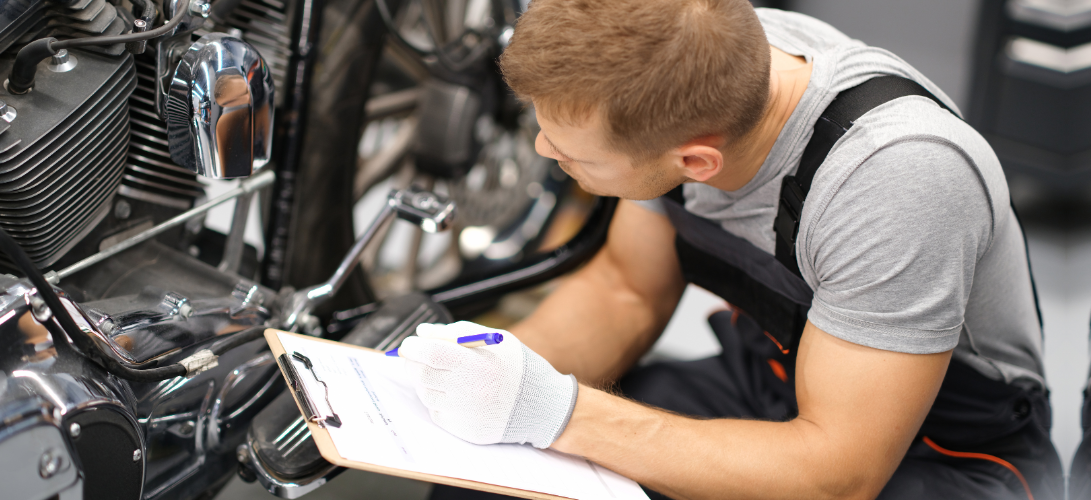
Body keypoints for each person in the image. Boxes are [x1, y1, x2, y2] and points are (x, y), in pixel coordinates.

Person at [394, 1, 1064, 498]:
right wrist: (466, 388)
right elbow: (627, 289)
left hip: (940, 456)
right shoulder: (677, 63)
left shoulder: (899, 182)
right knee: (484, 480)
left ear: (695, 162)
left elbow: (837, 475)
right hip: (769, 378)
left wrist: (557, 411)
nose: (544, 151)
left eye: (573, 157)